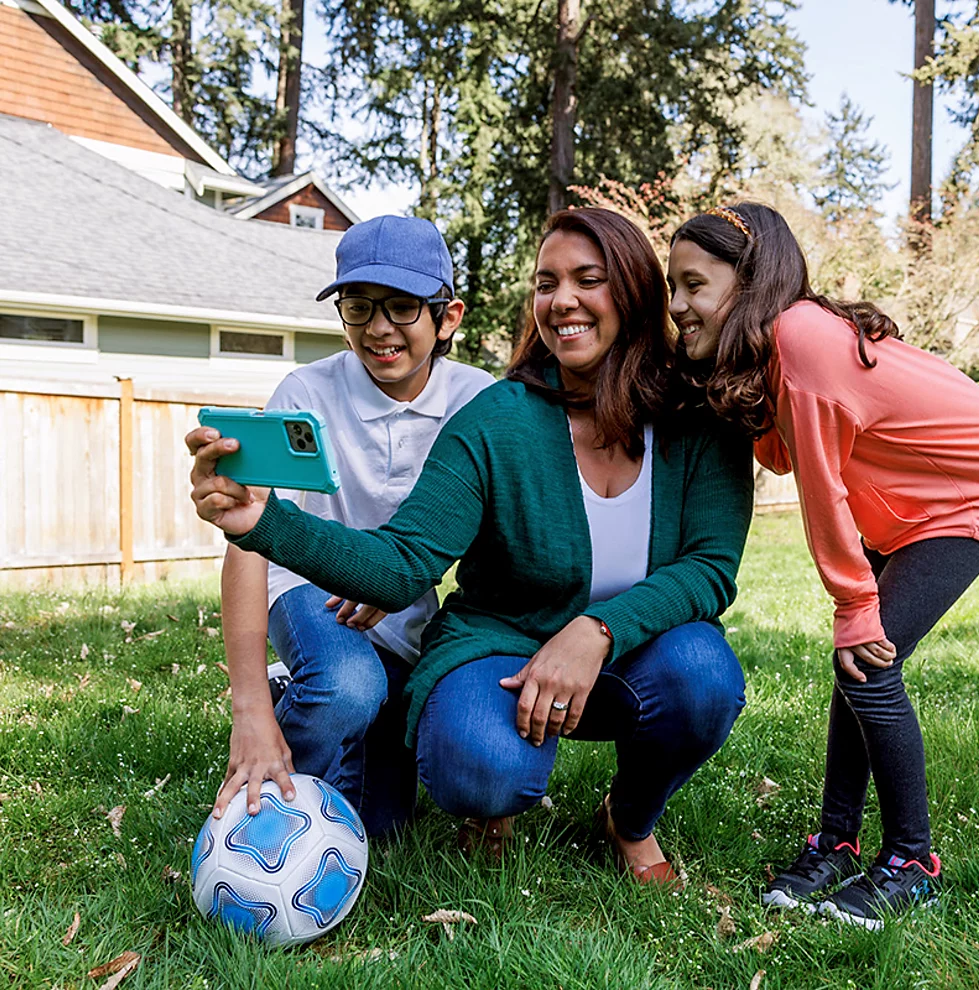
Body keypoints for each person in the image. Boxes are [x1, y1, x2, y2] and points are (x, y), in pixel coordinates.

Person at [188, 207, 753, 883]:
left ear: (633, 292)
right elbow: (404, 562)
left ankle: (629, 822)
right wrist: (262, 521)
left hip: (630, 655)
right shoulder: (497, 417)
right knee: (468, 765)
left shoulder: (699, 416)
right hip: (499, 648)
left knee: (704, 674)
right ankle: (472, 798)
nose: (562, 299)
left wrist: (597, 629)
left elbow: (710, 569)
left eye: (587, 279)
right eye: (546, 283)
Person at [667, 203, 979, 926]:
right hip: (906, 498)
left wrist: (854, 604)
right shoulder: (772, 348)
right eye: (671, 288)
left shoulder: (801, 337)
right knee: (855, 666)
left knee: (868, 660)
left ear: (748, 281)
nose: (678, 305)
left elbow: (821, 487)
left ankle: (913, 860)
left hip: (973, 487)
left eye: (693, 284)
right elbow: (783, 449)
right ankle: (836, 841)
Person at [209, 215, 494, 838]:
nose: (379, 329)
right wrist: (249, 706)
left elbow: (491, 540)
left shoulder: (479, 400)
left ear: (448, 316)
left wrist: (387, 575)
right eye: (358, 307)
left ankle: (308, 706)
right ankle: (269, 807)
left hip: (403, 610)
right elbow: (249, 541)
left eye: (402, 307)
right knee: (348, 683)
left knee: (383, 827)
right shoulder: (304, 392)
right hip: (307, 591)